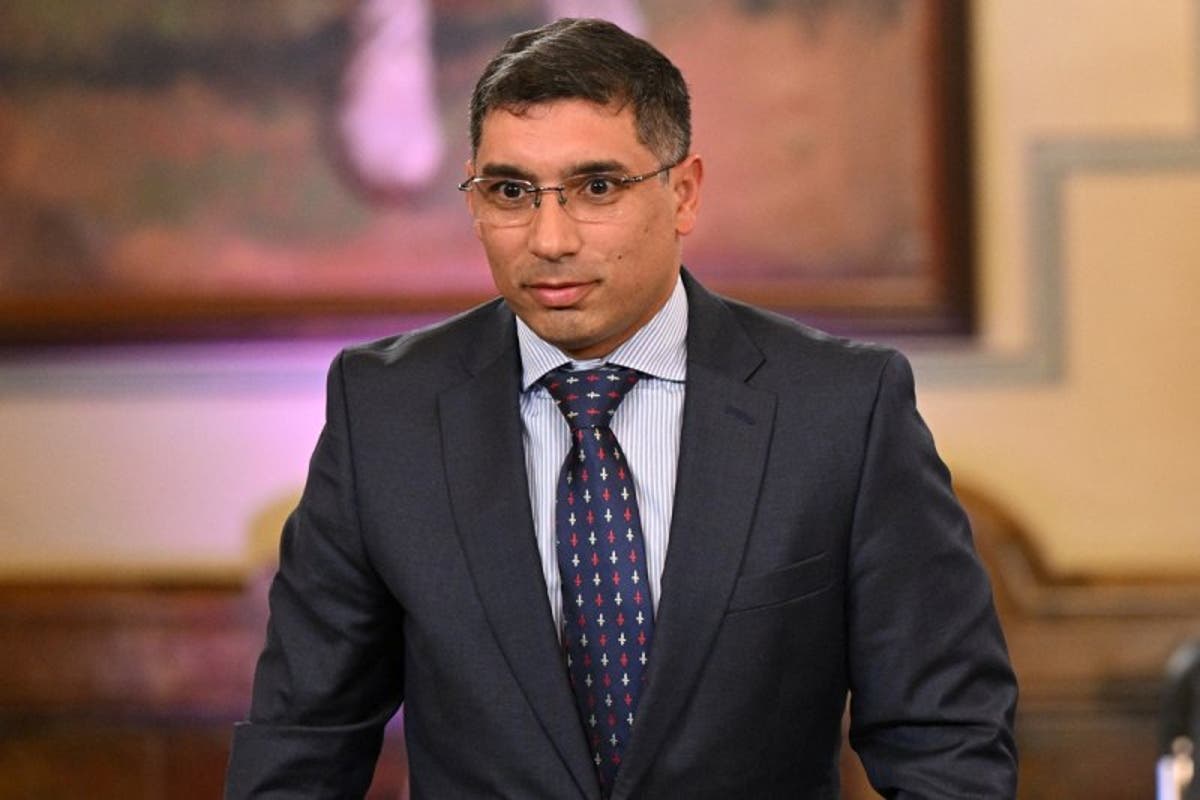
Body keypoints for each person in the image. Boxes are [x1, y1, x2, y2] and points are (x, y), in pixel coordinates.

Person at [225, 17, 1018, 799]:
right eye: (511, 191)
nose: (550, 239)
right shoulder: (386, 413)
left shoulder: (841, 409)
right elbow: (301, 747)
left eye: (596, 187)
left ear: (683, 193)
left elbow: (947, 745)